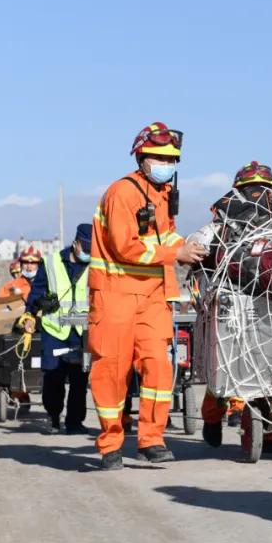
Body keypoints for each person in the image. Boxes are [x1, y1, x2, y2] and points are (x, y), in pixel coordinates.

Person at [88, 122, 207, 469]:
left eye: (170, 158)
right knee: (112, 370)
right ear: (141, 157)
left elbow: (165, 236)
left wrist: (186, 246)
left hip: (153, 295)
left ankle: (151, 439)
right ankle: (110, 443)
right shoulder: (121, 193)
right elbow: (125, 247)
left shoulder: (163, 194)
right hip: (115, 295)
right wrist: (175, 255)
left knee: (159, 367)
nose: (165, 163)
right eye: (158, 156)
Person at [196, 161, 272, 452]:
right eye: (251, 190)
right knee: (224, 368)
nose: (257, 195)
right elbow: (195, 244)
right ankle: (212, 418)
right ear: (239, 193)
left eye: (262, 190)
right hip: (232, 308)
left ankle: (268, 436)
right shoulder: (221, 224)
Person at [23, 225, 92, 434]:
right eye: (86, 248)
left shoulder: (96, 265)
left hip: (81, 331)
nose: (89, 253)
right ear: (75, 244)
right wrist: (29, 315)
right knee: (53, 376)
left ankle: (74, 422)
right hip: (55, 330)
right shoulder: (51, 262)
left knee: (80, 379)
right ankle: (53, 416)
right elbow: (37, 290)